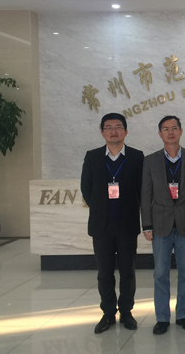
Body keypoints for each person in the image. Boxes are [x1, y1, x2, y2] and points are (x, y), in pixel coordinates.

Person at [141, 115, 185, 335]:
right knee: (160, 273)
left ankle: (184, 315)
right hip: (160, 225)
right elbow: (145, 195)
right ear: (160, 134)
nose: (170, 132)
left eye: (174, 128)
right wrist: (146, 225)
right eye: (166, 129)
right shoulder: (150, 161)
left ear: (181, 131)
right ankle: (162, 317)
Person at [80, 113, 144, 334]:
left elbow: (142, 189)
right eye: (109, 127)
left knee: (128, 271)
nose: (113, 131)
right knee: (104, 272)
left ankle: (126, 311)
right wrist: (101, 208)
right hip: (102, 226)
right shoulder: (93, 156)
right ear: (102, 132)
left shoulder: (136, 156)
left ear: (125, 131)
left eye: (118, 127)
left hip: (127, 224)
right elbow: (86, 188)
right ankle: (108, 313)